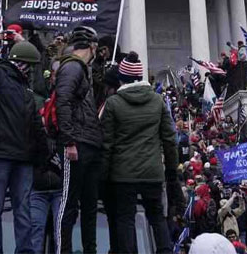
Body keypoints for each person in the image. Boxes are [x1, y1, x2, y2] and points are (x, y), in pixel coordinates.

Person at [0, 41, 47, 254]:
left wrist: (44, 154)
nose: (31, 70)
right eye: (29, 66)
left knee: (23, 210)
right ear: (20, 63)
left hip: (23, 157)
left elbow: (35, 122)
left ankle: (25, 251)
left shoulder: (25, 87)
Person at [100, 52, 177, 254]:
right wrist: (171, 173)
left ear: (121, 78)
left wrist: (102, 177)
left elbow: (107, 144)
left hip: (123, 175)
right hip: (152, 173)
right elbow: (170, 141)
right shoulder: (158, 101)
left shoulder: (113, 103)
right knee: (157, 217)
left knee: (125, 219)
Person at [54, 26, 103, 254]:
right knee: (69, 204)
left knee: (90, 205)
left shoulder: (84, 70)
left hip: (91, 143)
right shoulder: (72, 67)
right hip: (77, 144)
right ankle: (64, 250)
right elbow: (62, 102)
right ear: (91, 46)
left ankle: (89, 250)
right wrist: (69, 141)